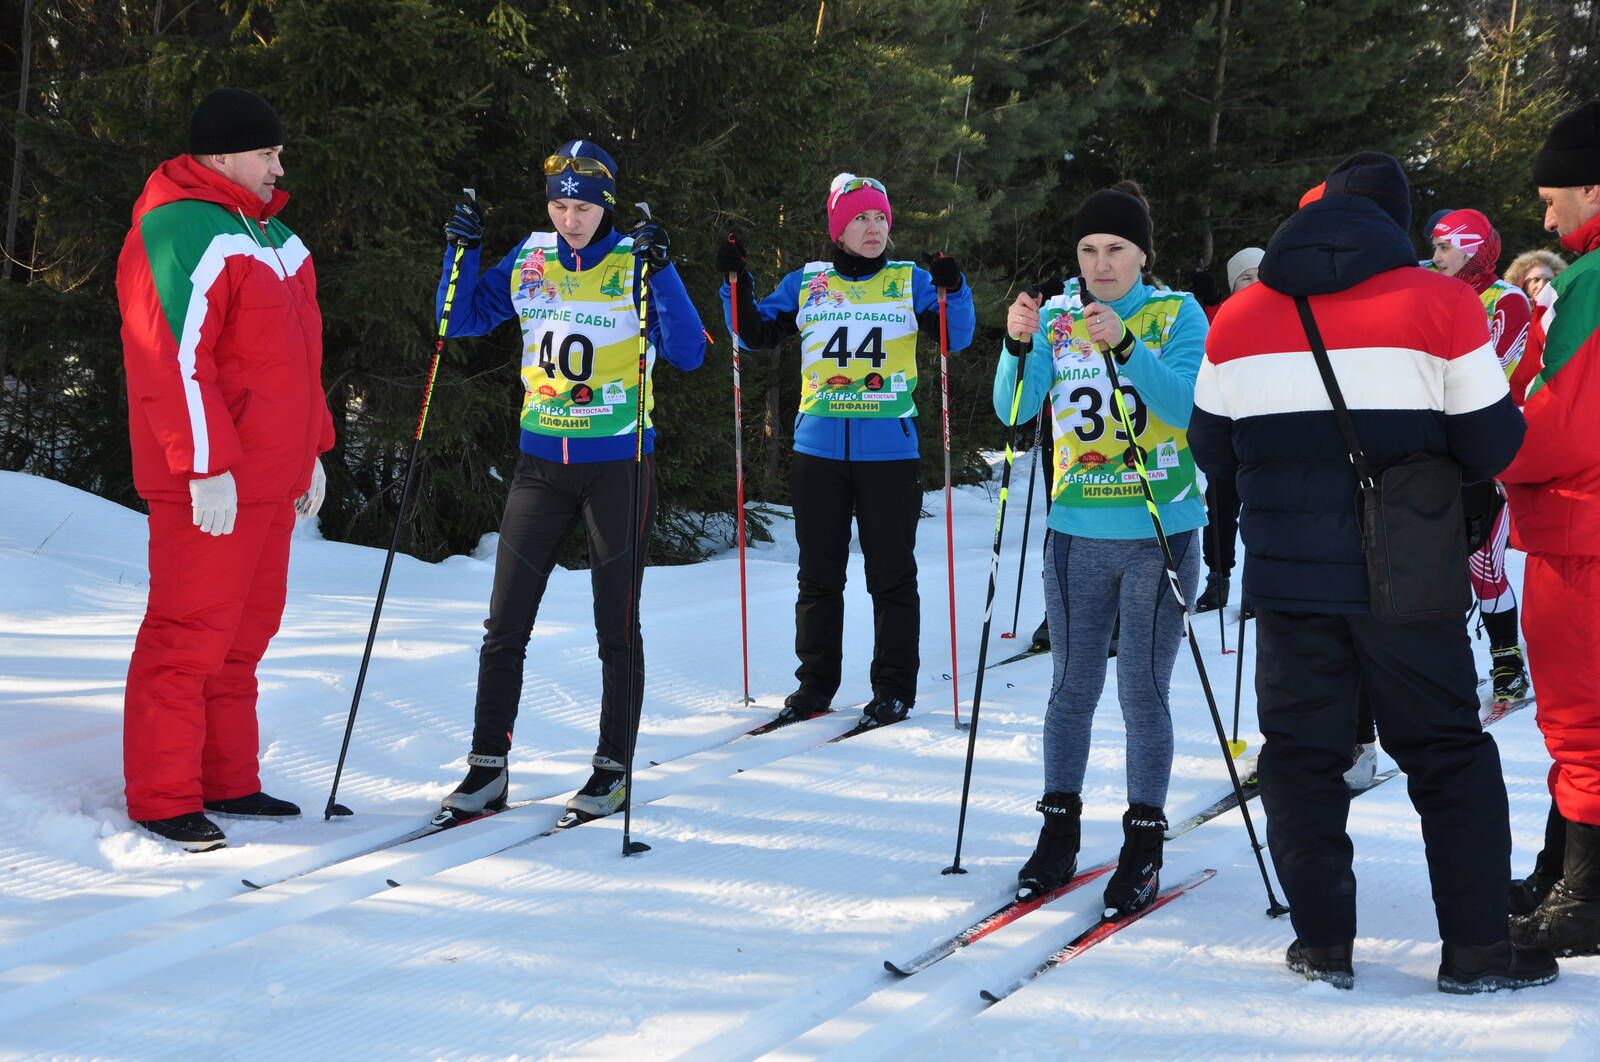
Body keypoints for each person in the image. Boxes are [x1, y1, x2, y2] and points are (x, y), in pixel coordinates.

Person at [1191, 151, 1555, 993]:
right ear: (1397, 222)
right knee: (1447, 756)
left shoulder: (1240, 314)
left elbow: (1213, 447)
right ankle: (1475, 955)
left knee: (1302, 757)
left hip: (1288, 577)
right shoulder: (1440, 302)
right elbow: (1497, 442)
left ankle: (1324, 945)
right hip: (1409, 571)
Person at [432, 140, 706, 824]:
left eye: (582, 206)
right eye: (559, 204)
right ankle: (487, 766)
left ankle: (612, 766)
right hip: (539, 466)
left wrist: (663, 272)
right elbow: (458, 318)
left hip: (618, 463)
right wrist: (460, 254)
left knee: (615, 623)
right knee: (505, 624)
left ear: (605, 204)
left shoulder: (632, 260)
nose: (570, 219)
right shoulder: (530, 256)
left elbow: (691, 352)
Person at [115, 88, 333, 851]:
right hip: (209, 483)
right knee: (188, 637)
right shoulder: (178, 230)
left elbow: (299, 363)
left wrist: (313, 450)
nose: (280, 165)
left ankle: (229, 778)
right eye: (267, 153)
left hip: (271, 480)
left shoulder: (278, 238)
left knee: (245, 636)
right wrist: (203, 465)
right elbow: (170, 359)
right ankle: (164, 795)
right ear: (220, 158)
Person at [996, 185, 1206, 918]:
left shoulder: (1176, 312)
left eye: (1116, 248)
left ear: (1143, 252)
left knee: (1142, 692)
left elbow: (1185, 407)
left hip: (1158, 528)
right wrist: (1016, 344)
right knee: (1070, 687)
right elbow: (1017, 411)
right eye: (1089, 249)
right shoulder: (1057, 317)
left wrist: (1124, 343)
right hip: (1076, 528)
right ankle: (1058, 835)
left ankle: (1143, 846)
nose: (1101, 262)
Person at [716, 174, 974, 729]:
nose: (873, 228)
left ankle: (894, 688)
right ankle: (814, 687)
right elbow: (753, 333)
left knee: (891, 575)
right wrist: (735, 280)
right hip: (819, 452)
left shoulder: (910, 280)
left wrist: (956, 287)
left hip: (890, 453)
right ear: (838, 228)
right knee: (818, 575)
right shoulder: (809, 283)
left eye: (880, 217)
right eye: (860, 218)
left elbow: (957, 335)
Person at [1501, 99, 1600, 957]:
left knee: (1581, 717)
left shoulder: (1592, 282)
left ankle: (1586, 898)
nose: (1545, 216)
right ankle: (1561, 865)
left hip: (1583, 529)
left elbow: (1557, 422)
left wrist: (1487, 442)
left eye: (1553, 196)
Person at [1430, 208, 1532, 702]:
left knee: (1484, 560)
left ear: (1471, 246)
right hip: (1437, 447)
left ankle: (1506, 658)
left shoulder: (1505, 299)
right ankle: (1451, 667)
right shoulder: (1438, 296)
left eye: (1445, 247)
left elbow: (1492, 370)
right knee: (1437, 563)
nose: (1436, 257)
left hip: (1486, 444)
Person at [1194, 246, 1264, 615]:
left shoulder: (1283, 313)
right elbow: (1208, 335)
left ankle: (1257, 583)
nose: (1254, 284)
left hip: (1267, 431)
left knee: (1261, 508)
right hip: (1227, 427)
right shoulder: (1224, 317)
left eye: (1260, 275)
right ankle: (1217, 578)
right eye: (1245, 278)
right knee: (1220, 510)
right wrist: (1209, 304)